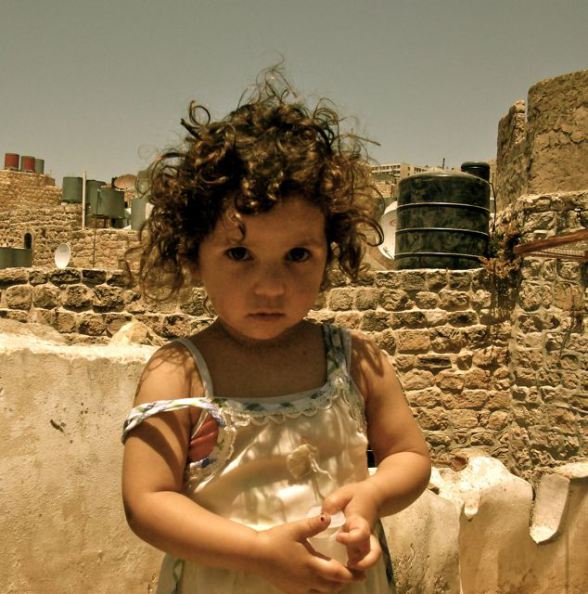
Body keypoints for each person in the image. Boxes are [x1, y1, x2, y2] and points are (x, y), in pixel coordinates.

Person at [121, 68, 431, 594]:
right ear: (193, 256)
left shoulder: (355, 361)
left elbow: (410, 457)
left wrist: (372, 496)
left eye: (297, 255)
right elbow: (146, 503)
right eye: (240, 253)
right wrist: (258, 553)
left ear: (329, 254)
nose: (271, 286)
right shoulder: (179, 377)